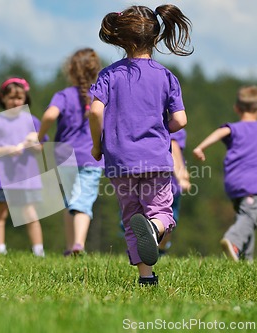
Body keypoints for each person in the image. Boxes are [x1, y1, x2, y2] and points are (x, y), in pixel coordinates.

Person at [89, 4, 193, 286]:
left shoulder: (109, 75)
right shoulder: (165, 76)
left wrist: (98, 145)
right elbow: (181, 121)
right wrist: (161, 127)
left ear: (122, 39)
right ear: (156, 37)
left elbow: (95, 112)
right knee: (161, 214)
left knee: (131, 218)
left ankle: (146, 279)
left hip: (120, 161)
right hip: (155, 159)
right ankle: (154, 226)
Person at [193, 85, 257, 261]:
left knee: (246, 218)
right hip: (254, 186)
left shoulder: (234, 129)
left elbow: (222, 132)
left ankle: (246, 261)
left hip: (233, 184)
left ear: (236, 108)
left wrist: (200, 147)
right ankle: (233, 241)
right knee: (248, 218)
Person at [38, 48, 103, 256]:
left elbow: (49, 115)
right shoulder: (99, 97)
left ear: (71, 71)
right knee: (83, 202)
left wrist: (40, 137)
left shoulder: (63, 96)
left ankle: (69, 247)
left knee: (69, 201)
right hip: (92, 158)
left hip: (64, 158)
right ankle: (78, 245)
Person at [0, 77, 46, 257]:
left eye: (19, 98)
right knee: (1, 213)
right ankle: (0, 249)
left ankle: (38, 251)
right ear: (2, 98)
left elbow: (40, 147)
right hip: (4, 177)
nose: (16, 102)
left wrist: (34, 145)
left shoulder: (32, 121)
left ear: (25, 98)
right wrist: (8, 149)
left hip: (27, 177)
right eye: (11, 98)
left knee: (30, 213)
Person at [158, 128, 191, 255]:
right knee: (169, 220)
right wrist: (181, 175)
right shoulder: (175, 127)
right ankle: (159, 249)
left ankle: (159, 248)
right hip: (170, 184)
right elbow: (173, 147)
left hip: (158, 182)